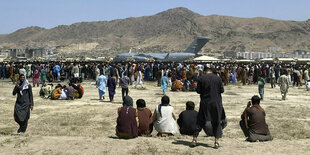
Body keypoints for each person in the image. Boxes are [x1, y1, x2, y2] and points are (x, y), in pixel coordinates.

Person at [193, 67, 225, 149]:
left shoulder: (201, 78)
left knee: (200, 120)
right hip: (216, 103)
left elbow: (198, 91)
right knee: (216, 121)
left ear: (205, 71)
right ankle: (216, 142)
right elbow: (222, 90)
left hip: (205, 102)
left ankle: (194, 139)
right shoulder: (218, 78)